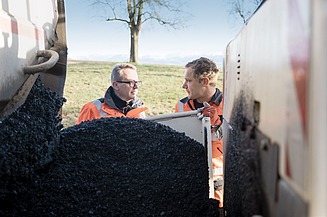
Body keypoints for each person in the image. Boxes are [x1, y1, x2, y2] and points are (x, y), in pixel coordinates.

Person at [175, 57, 224, 207]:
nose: (184, 85)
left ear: (204, 82)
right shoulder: (181, 106)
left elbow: (235, 144)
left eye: (188, 81)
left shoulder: (229, 105)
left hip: (219, 185)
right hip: (189, 181)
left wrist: (215, 124)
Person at [76, 63, 148, 124]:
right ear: (115, 85)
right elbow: (77, 137)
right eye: (131, 83)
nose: (136, 87)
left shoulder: (140, 109)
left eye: (137, 82)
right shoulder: (92, 108)